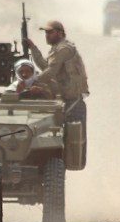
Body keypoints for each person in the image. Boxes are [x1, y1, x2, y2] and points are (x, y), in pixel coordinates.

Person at [23, 20, 89, 157]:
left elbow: (50, 72)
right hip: (65, 101)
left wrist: (30, 82)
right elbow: (46, 67)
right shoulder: (58, 49)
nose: (47, 35)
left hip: (72, 103)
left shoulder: (64, 49)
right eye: (46, 33)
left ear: (60, 33)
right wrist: (33, 49)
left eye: (50, 32)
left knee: (71, 147)